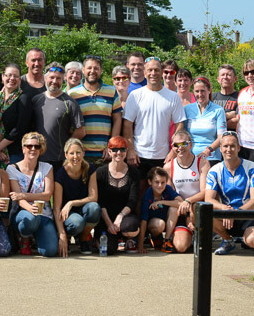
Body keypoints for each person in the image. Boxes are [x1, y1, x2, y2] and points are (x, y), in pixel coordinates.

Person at [123, 56, 186, 206]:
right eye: (150, 70)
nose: (153, 73)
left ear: (162, 72)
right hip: (139, 155)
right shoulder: (135, 96)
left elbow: (180, 125)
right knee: (138, 195)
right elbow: (127, 125)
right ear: (144, 72)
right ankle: (140, 228)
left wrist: (173, 150)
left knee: (163, 196)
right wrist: (130, 149)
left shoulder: (173, 97)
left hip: (163, 155)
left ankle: (159, 227)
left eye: (156, 70)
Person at [205, 131, 254, 254]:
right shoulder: (214, 170)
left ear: (238, 148)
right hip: (227, 215)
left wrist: (236, 212)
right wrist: (225, 209)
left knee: (253, 242)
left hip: (248, 215)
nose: (229, 149)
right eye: (225, 146)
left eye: (232, 146)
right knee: (203, 211)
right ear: (220, 149)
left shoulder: (253, 167)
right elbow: (208, 199)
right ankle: (227, 240)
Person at [7, 132, 57, 257]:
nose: (33, 149)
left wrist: (24, 195)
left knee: (50, 251)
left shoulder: (47, 168)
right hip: (23, 213)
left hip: (44, 214)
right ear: (23, 148)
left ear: (41, 149)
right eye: (29, 146)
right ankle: (25, 237)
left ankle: (36, 236)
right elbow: (16, 198)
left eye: (37, 146)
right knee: (31, 218)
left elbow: (47, 195)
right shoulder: (12, 169)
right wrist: (30, 208)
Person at [68, 55, 122, 165]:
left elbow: (117, 119)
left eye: (96, 68)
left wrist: (111, 145)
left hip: (104, 154)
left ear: (101, 71)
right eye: (89, 68)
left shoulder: (111, 91)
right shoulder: (73, 94)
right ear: (83, 70)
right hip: (79, 154)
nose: (92, 71)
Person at [32, 64, 84, 173]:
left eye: (58, 78)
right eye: (51, 77)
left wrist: (67, 148)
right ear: (45, 78)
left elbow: (81, 131)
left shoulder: (69, 102)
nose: (54, 81)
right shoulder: (36, 100)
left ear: (63, 80)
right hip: (36, 157)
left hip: (59, 160)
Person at [92, 136, 141, 255]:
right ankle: (96, 240)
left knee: (131, 227)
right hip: (106, 217)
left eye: (122, 149)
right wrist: (109, 224)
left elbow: (133, 200)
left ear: (126, 151)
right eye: (114, 149)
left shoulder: (133, 172)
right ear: (109, 151)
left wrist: (120, 217)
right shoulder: (101, 172)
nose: (119, 153)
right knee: (108, 249)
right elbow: (100, 201)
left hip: (125, 215)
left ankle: (128, 238)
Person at [164, 130, 210, 254]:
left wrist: (189, 202)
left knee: (196, 206)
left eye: (183, 144)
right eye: (176, 145)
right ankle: (183, 235)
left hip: (196, 208)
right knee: (180, 247)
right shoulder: (168, 167)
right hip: (180, 210)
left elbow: (205, 192)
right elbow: (170, 195)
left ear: (191, 145)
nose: (180, 148)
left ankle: (197, 231)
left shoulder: (202, 163)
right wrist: (184, 205)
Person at [53, 138, 101, 257]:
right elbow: (56, 208)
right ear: (66, 155)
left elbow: (93, 197)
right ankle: (69, 237)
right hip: (67, 215)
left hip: (83, 208)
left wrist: (71, 203)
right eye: (72, 153)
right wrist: (62, 234)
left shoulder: (90, 169)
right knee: (77, 223)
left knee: (94, 208)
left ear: (83, 153)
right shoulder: (60, 174)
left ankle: (84, 238)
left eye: (78, 152)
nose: (76, 156)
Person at [137, 167, 183, 254]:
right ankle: (155, 238)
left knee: (174, 208)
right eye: (157, 182)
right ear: (150, 182)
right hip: (153, 224)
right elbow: (143, 221)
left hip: (167, 221)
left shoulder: (168, 189)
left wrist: (162, 202)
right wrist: (140, 246)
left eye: (163, 182)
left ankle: (166, 240)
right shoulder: (147, 196)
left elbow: (181, 202)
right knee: (159, 224)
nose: (160, 186)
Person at [184, 77, 226, 166]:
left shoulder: (218, 110)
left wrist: (208, 150)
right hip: (190, 157)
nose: (200, 94)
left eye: (203, 91)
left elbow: (221, 137)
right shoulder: (187, 109)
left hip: (211, 157)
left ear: (209, 90)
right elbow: (183, 134)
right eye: (197, 91)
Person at [0, 63, 32, 167]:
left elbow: (19, 129)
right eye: (8, 75)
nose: (12, 78)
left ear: (20, 80)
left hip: (14, 153)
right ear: (3, 77)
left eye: (16, 76)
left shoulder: (24, 99)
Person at [212, 64, 239, 131]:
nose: (225, 77)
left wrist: (215, 121)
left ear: (235, 79)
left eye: (229, 75)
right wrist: (229, 115)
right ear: (218, 79)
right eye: (222, 75)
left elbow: (239, 121)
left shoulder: (241, 97)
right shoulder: (211, 97)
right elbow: (206, 119)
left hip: (233, 139)